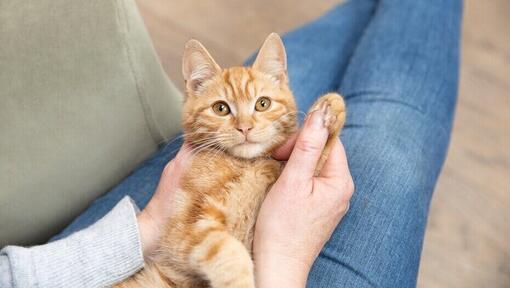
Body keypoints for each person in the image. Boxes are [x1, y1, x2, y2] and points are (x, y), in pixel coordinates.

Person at [0, 0, 462, 287]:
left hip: (54, 269)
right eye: (223, 110)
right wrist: (280, 264)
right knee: (390, 144)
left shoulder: (215, 149)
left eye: (256, 108)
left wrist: (146, 226)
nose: (243, 124)